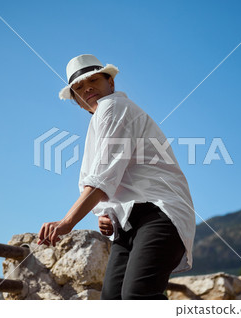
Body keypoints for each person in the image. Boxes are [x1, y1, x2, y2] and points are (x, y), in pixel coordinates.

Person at [38, 54, 195, 299]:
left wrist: (66, 222)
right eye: (78, 87)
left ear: (111, 83)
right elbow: (111, 179)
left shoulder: (113, 106)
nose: (87, 88)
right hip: (129, 224)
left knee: (138, 296)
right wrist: (107, 214)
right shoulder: (101, 120)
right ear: (77, 101)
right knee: (112, 300)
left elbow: (102, 178)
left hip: (159, 214)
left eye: (94, 80)